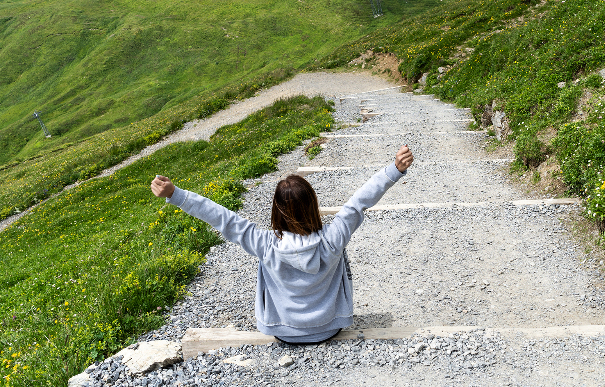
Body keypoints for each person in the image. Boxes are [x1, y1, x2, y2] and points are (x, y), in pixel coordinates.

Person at [150, 144, 414, 344]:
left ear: (277, 210)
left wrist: (176, 194)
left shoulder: (266, 244)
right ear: (313, 204)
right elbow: (359, 201)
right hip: (330, 328)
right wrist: (395, 169)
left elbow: (224, 219)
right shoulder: (333, 239)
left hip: (281, 330)